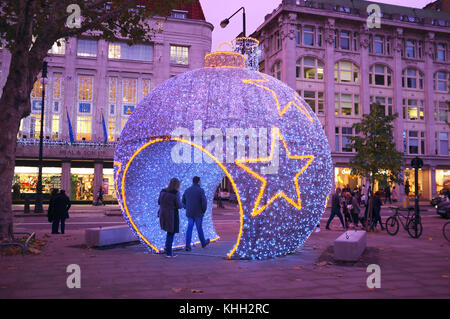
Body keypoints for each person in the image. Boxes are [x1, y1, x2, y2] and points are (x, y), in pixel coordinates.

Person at [183, 176, 210, 251]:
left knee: (189, 228)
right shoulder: (201, 190)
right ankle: (203, 243)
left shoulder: (187, 190)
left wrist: (186, 207)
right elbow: (204, 202)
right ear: (198, 181)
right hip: (198, 213)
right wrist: (203, 211)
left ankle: (188, 245)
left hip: (190, 213)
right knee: (199, 228)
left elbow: (183, 201)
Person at [158, 178, 182, 258]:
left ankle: (167, 249)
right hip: (172, 215)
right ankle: (169, 252)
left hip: (163, 214)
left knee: (169, 232)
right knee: (171, 232)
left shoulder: (163, 191)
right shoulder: (176, 193)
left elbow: (159, 202)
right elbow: (179, 205)